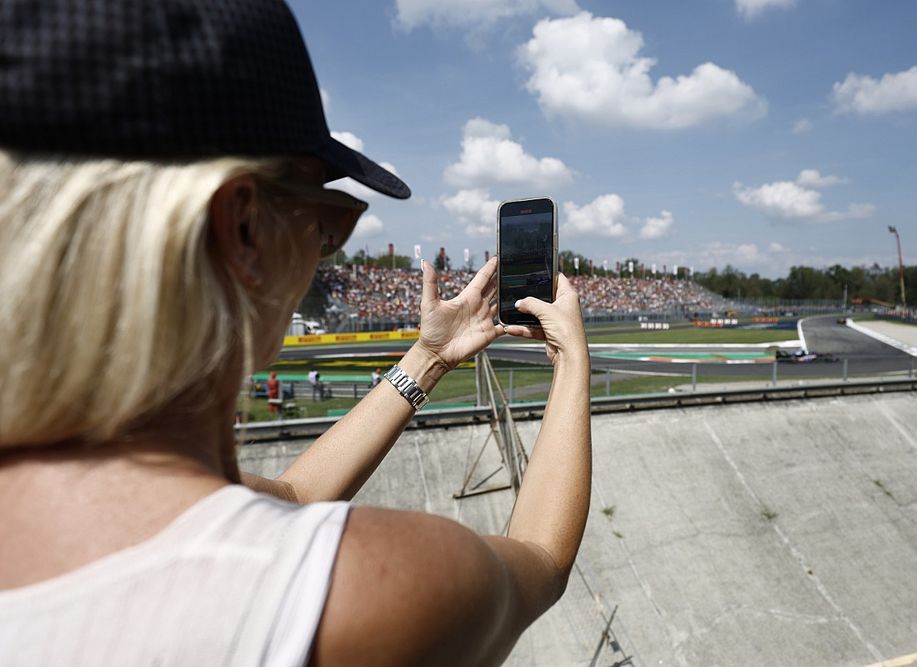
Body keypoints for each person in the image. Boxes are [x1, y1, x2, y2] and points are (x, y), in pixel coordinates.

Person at [0, 1, 592, 665]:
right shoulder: (367, 592)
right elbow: (540, 558)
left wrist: (427, 357)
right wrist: (571, 360)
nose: (323, 248)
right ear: (246, 230)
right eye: (328, 220)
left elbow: (293, 498)